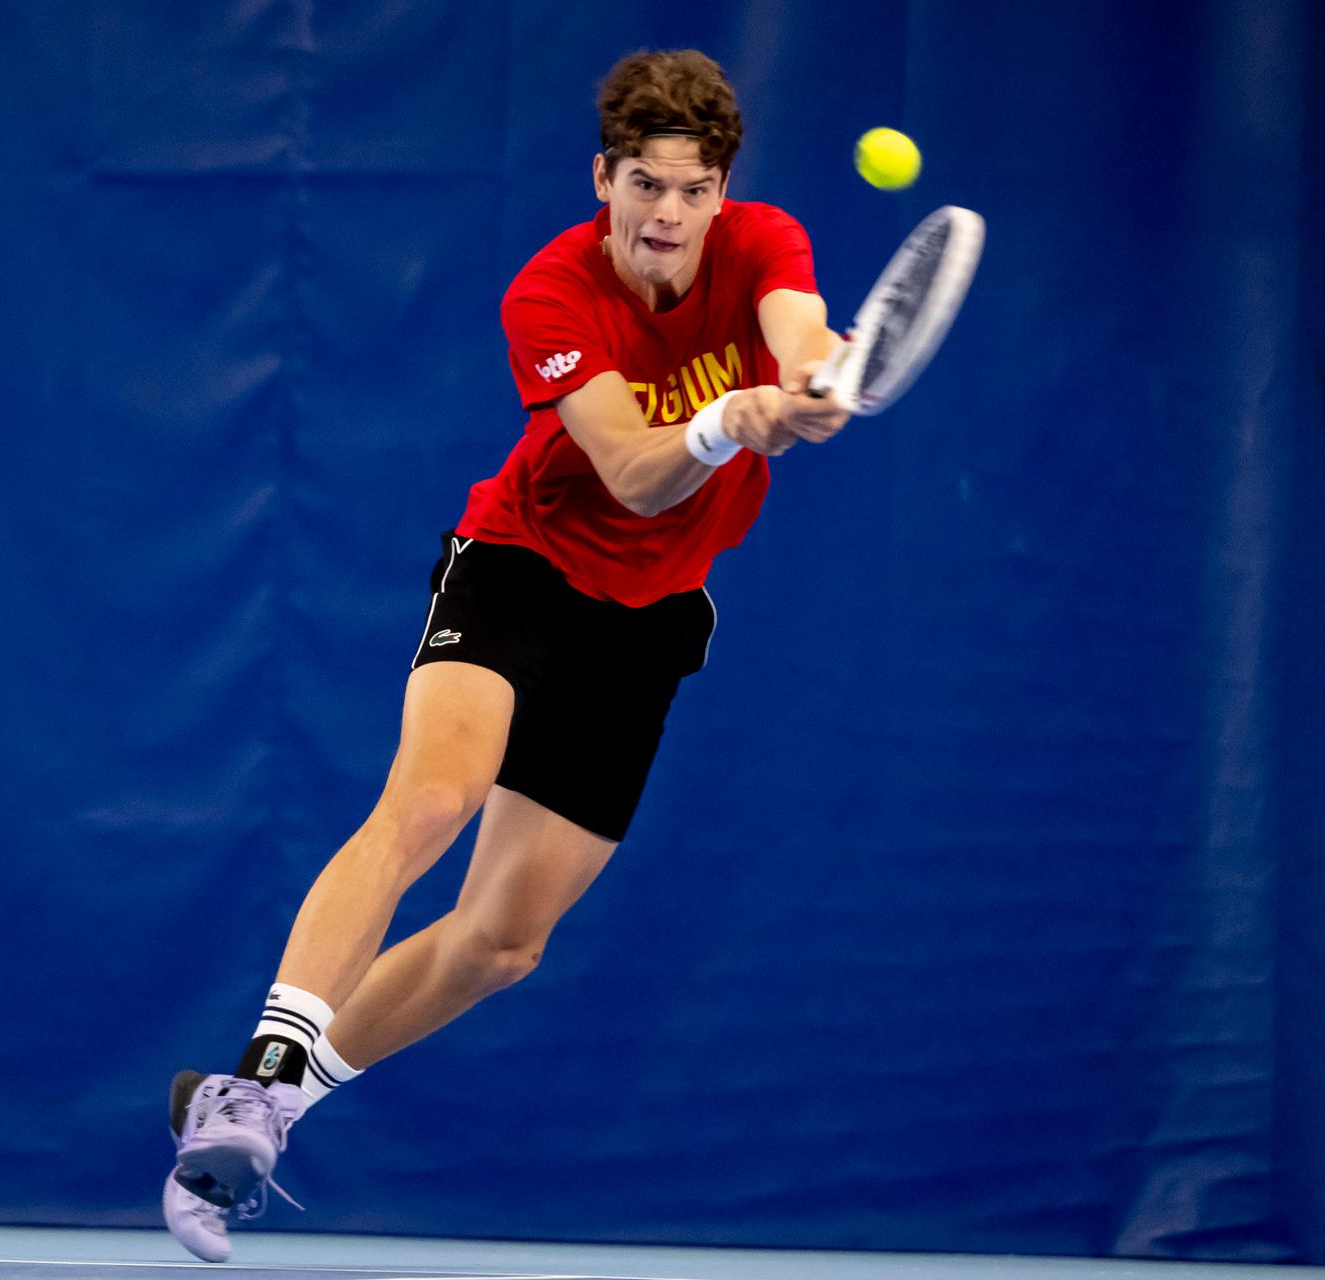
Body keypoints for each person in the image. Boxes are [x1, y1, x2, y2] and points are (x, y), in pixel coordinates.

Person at [162, 47, 850, 1262]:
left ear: (723, 194)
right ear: (604, 178)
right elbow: (637, 475)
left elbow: (797, 330)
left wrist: (806, 381)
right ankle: (262, 1063)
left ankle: (258, 1113)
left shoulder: (765, 243)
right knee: (433, 798)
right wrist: (726, 418)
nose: (668, 216)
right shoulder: (549, 293)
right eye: (645, 185)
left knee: (501, 943)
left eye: (693, 191)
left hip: (650, 621)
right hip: (522, 566)